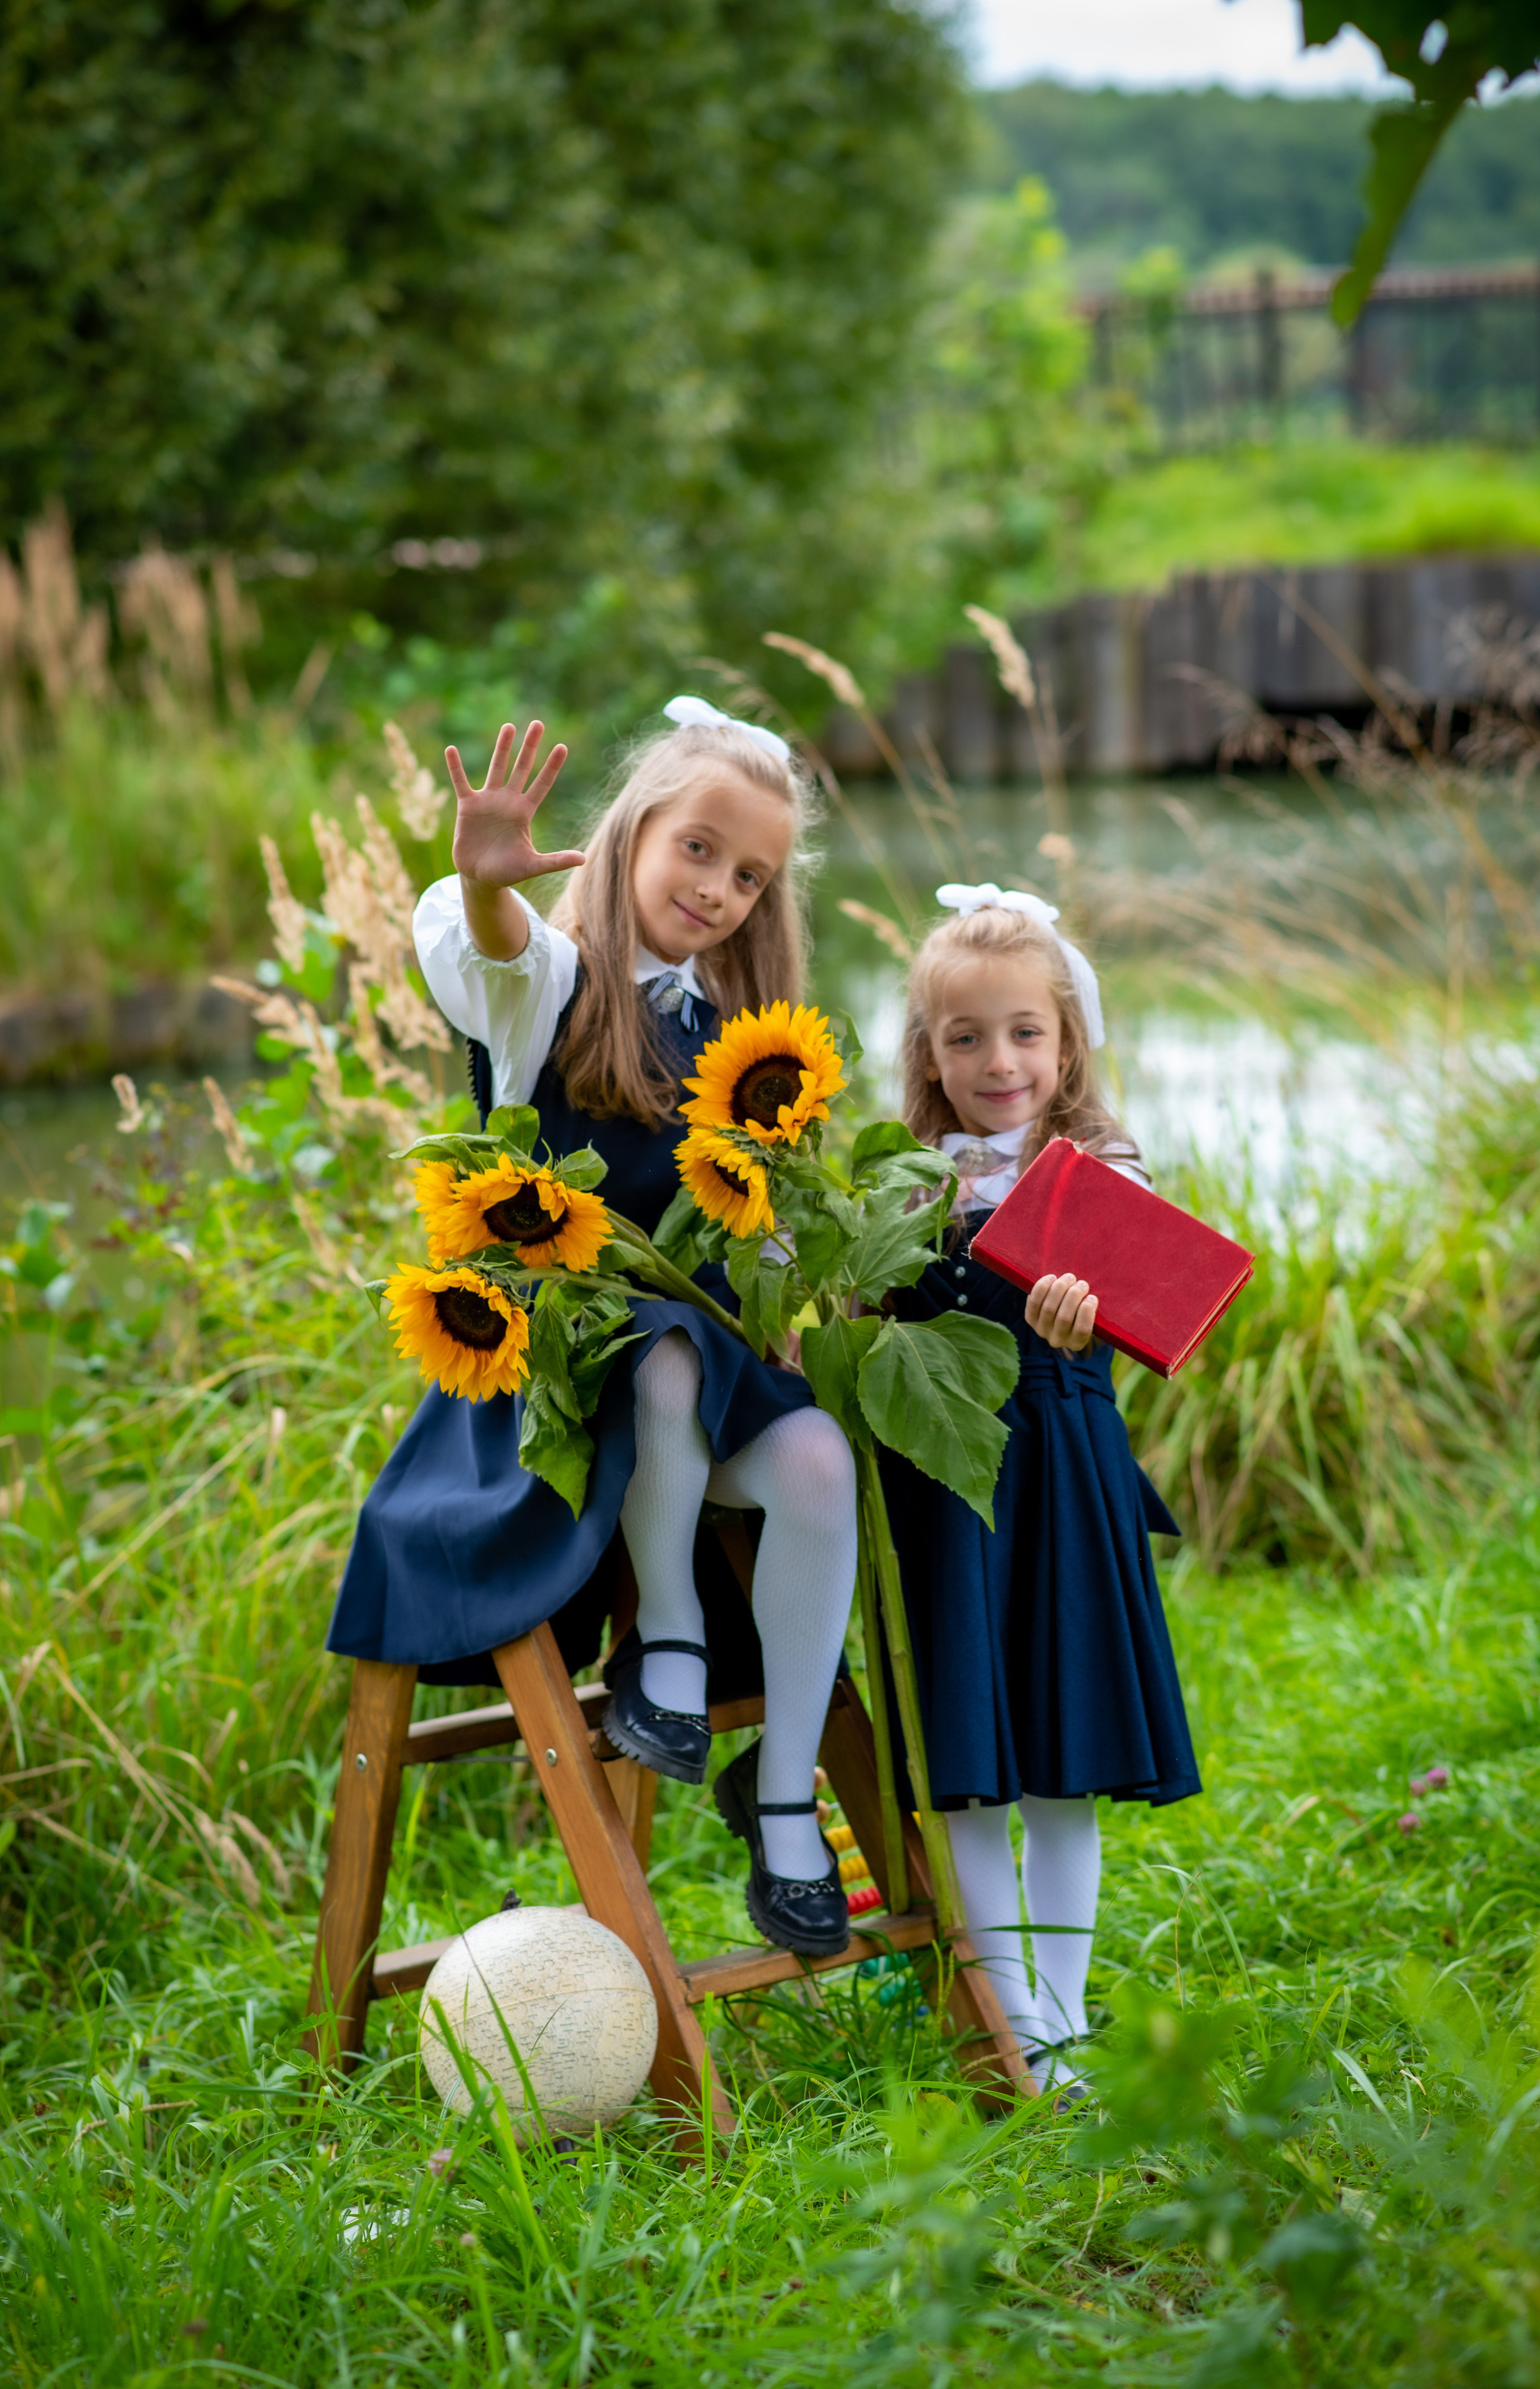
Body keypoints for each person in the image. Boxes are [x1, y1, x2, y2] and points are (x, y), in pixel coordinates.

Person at [328, 699, 856, 1956]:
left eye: (749, 876)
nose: (718, 888)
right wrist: (484, 881)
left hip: (684, 1397)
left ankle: (783, 1792)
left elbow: (747, 1213)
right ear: (628, 834)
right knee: (660, 1353)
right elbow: (494, 956)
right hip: (546, 1390)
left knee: (819, 1458)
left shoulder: (723, 1040)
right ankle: (662, 1644)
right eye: (696, 849)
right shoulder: (554, 988)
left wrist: (785, 1289)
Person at [878, 884, 1200, 2090]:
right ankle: (1009, 2021)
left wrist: (1089, 1313)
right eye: (965, 1037)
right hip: (945, 1489)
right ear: (929, 1052)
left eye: (1024, 1032)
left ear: (1066, 1043)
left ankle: (1061, 2017)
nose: (997, 1060)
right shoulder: (906, 1182)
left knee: (1065, 1759)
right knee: (971, 1757)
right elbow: (872, 1319)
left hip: (1064, 1475)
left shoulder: (1103, 1170)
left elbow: (1158, 1306)